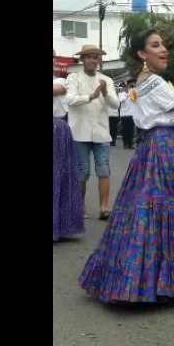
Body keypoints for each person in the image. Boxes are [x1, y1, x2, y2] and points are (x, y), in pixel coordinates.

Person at [79, 29, 174, 303]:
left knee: (148, 208)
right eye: (155, 45)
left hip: (151, 146)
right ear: (141, 53)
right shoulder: (155, 83)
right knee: (168, 208)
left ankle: (137, 277)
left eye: (163, 45)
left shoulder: (142, 81)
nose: (163, 50)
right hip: (164, 147)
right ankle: (166, 280)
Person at [65, 44, 119, 220]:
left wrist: (104, 92)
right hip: (80, 132)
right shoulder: (74, 77)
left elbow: (116, 104)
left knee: (103, 169)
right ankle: (80, 207)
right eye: (88, 57)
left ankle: (104, 208)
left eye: (95, 57)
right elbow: (70, 100)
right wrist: (91, 96)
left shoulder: (106, 80)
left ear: (98, 60)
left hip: (101, 131)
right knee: (82, 171)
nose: (92, 60)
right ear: (82, 60)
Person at [53, 50, 84, 242]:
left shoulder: (60, 81)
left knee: (59, 176)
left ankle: (60, 225)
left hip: (57, 129)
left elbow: (57, 90)